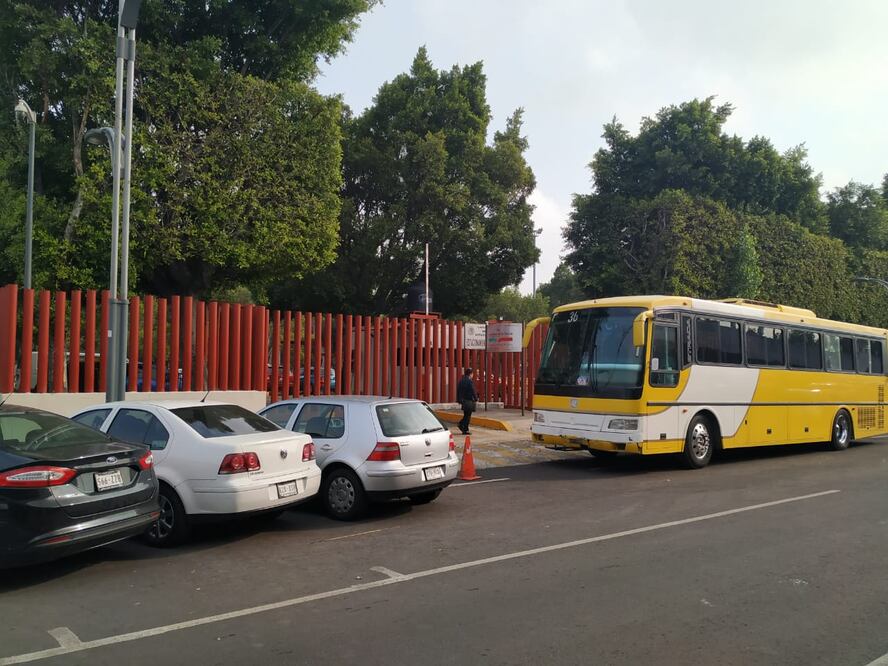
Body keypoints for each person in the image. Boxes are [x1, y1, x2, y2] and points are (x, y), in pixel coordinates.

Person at [456, 368, 479, 435]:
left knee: (466, 415)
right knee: (468, 416)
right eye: (472, 374)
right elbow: (473, 390)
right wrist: (476, 398)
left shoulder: (461, 381)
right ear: (470, 374)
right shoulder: (469, 381)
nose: (473, 375)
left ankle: (463, 427)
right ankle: (464, 428)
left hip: (463, 400)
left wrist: (459, 399)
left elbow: (458, 390)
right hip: (469, 400)